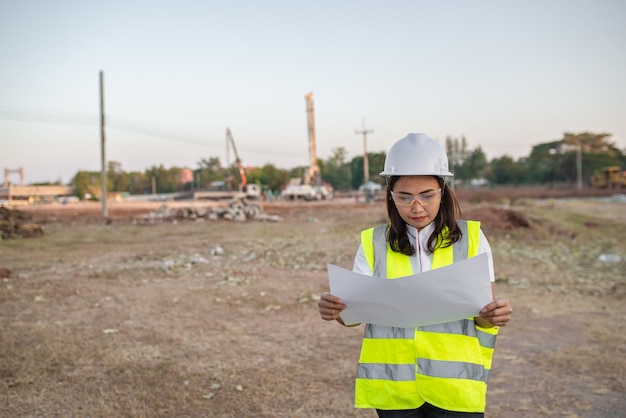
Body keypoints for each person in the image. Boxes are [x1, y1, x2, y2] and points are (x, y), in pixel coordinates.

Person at [318, 133, 512, 418]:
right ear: (390, 194)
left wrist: (494, 315)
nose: (416, 207)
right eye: (404, 197)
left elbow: (481, 315)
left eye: (426, 195)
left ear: (442, 190)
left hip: (454, 385)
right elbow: (355, 316)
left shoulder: (471, 238)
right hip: (395, 388)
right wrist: (337, 311)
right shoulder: (374, 243)